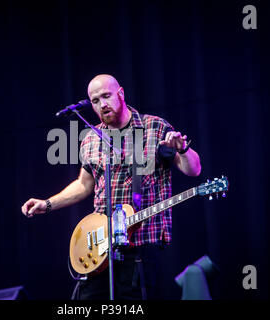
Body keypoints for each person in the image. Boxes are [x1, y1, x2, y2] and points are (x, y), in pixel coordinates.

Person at [21, 74, 201, 299]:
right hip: (100, 246)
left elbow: (193, 170)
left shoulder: (153, 127)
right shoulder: (91, 139)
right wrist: (48, 204)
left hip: (140, 245)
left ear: (121, 93)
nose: (102, 104)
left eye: (106, 96)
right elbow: (83, 185)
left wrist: (182, 149)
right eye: (95, 101)